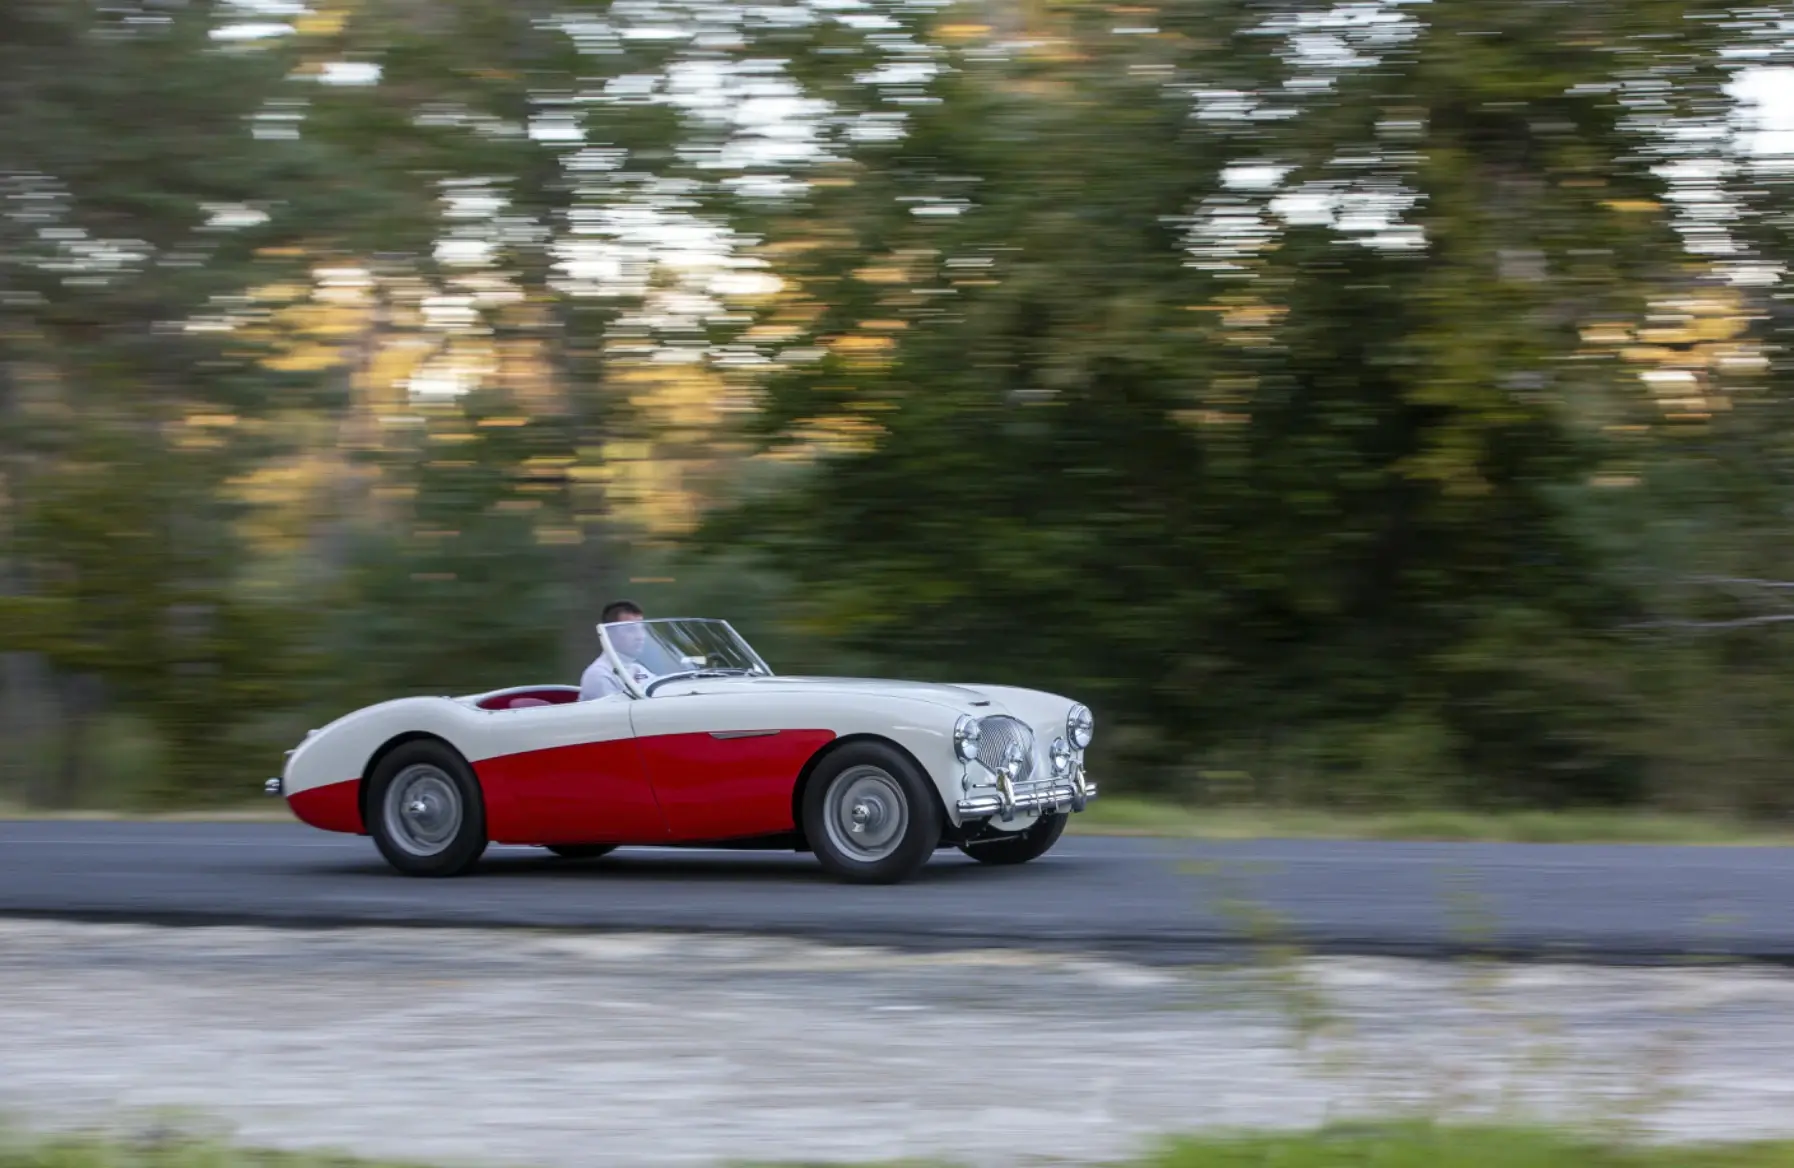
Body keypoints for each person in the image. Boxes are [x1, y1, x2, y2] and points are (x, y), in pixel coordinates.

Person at [579, 599, 654, 699]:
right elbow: (613, 713)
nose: (640, 636)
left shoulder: (639, 669)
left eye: (641, 628)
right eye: (630, 629)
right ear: (609, 633)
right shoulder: (599, 675)